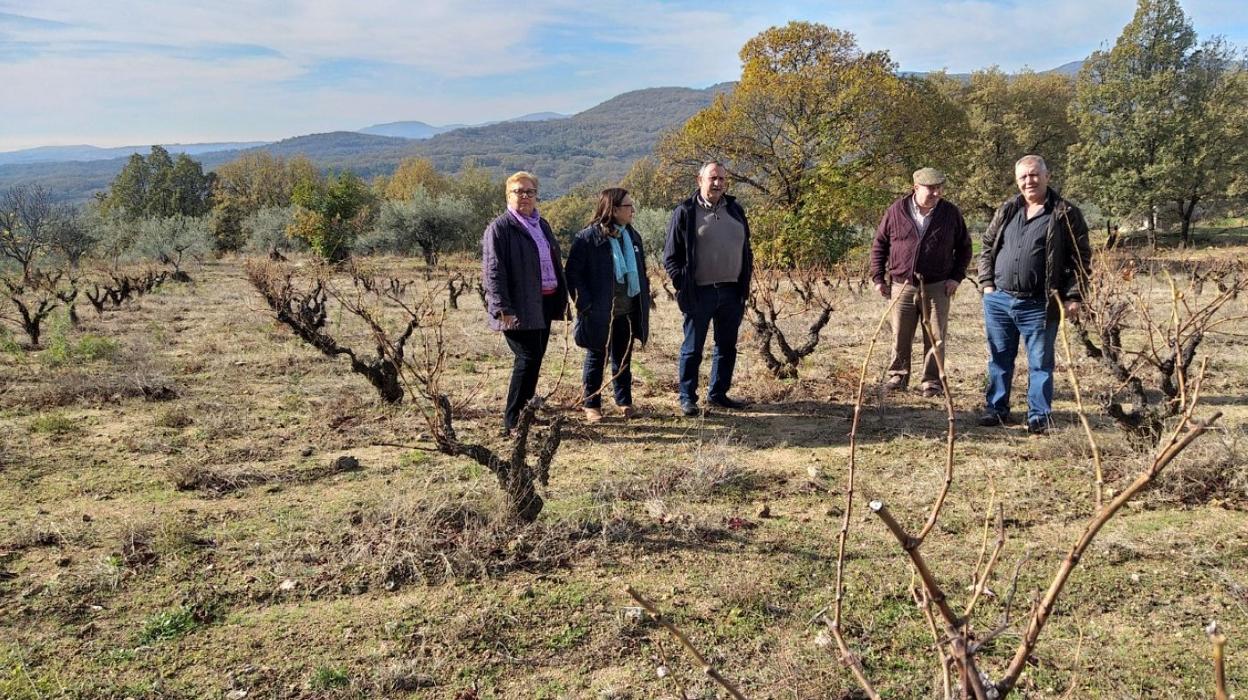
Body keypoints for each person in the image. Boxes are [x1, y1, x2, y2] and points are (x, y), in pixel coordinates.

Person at [977, 155, 1091, 434]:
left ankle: (1038, 416)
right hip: (999, 299)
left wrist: (1074, 296)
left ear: (1047, 176)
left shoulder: (1065, 213)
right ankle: (996, 409)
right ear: (1017, 181)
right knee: (999, 358)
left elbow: (1080, 259)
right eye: (1023, 177)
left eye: (1034, 174)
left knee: (1040, 363)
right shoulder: (1008, 209)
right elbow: (988, 245)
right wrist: (987, 284)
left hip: (1040, 302)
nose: (1029, 181)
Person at [870, 167, 972, 397]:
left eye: (939, 188)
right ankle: (898, 376)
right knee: (900, 334)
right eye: (931, 188)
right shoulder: (896, 211)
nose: (936, 193)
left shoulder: (950, 213)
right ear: (916, 188)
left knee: (936, 336)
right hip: (902, 286)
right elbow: (879, 245)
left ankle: (932, 382)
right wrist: (878, 277)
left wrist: (956, 278)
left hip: (937, 286)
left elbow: (965, 248)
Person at [481, 171, 568, 435]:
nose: (525, 196)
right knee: (527, 358)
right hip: (518, 306)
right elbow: (493, 271)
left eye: (530, 191)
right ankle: (512, 421)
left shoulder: (542, 225)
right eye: (518, 191)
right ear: (508, 195)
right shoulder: (500, 228)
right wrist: (502, 308)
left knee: (535, 359)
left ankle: (525, 415)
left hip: (543, 302)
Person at [664, 161, 753, 416]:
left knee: (726, 347)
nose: (718, 183)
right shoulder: (685, 211)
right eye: (713, 178)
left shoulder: (735, 209)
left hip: (732, 291)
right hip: (699, 293)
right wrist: (683, 285)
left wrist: (745, 279)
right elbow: (670, 256)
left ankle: (718, 394)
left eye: (722, 179)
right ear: (699, 180)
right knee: (693, 348)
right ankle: (687, 398)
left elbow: (746, 248)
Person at [565, 188, 650, 422]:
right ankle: (591, 404)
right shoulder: (587, 238)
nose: (632, 210)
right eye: (628, 206)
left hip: (627, 310)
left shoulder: (632, 236)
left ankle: (624, 401)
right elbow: (573, 274)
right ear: (613, 209)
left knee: (623, 359)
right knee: (596, 358)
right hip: (598, 312)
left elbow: (641, 270)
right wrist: (585, 305)